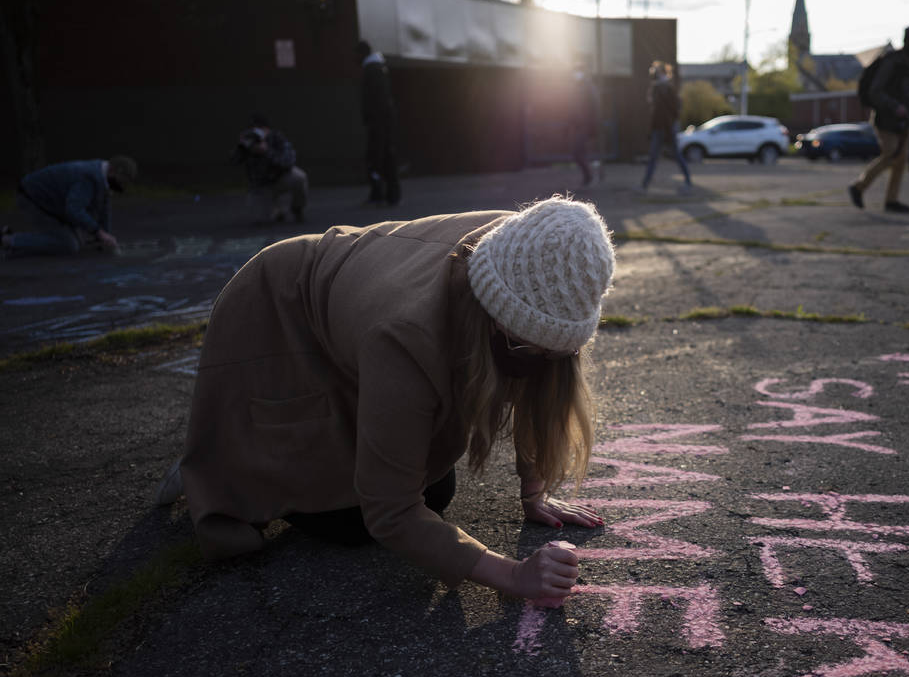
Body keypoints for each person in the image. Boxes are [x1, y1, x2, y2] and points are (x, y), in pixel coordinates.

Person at [152, 197, 615, 603]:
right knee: (353, 525)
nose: (538, 364)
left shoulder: (536, 253)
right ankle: (220, 460)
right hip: (280, 309)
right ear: (491, 315)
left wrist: (535, 493)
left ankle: (233, 452)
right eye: (525, 347)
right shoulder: (407, 332)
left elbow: (542, 381)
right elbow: (390, 512)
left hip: (355, 311)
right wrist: (513, 576)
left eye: (557, 352)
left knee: (436, 491)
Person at [848, 26, 909, 213]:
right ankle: (858, 187)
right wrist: (894, 106)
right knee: (890, 154)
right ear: (906, 39)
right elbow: (875, 91)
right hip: (885, 119)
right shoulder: (892, 61)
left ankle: (891, 200)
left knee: (900, 161)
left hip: (904, 122)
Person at [2, 156, 136, 258]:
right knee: (68, 245)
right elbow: (74, 210)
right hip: (32, 199)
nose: (122, 186)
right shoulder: (90, 177)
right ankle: (8, 241)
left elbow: (103, 209)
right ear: (115, 172)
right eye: (122, 181)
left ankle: (15, 239)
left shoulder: (102, 178)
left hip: (52, 203)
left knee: (77, 242)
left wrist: (106, 235)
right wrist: (98, 232)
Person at [231, 114, 308, 223]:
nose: (257, 132)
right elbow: (233, 161)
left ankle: (296, 209)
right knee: (261, 221)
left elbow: (288, 161)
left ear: (267, 129)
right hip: (260, 187)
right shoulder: (248, 142)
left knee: (299, 177)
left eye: (260, 128)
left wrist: (267, 151)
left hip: (280, 179)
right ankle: (277, 209)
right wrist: (243, 147)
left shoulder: (276, 138)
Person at [356, 40, 400, 205]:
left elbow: (373, 100)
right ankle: (390, 194)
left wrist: (371, 119)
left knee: (377, 157)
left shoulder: (371, 70)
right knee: (386, 155)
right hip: (384, 122)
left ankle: (380, 193)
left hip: (378, 123)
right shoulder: (379, 68)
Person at [640, 61, 692, 193]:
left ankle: (688, 180)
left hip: (666, 128)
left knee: (673, 155)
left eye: (657, 72)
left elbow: (672, 110)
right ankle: (645, 184)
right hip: (660, 128)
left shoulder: (666, 89)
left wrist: (668, 126)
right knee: (655, 156)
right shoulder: (658, 88)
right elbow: (657, 111)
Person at [568, 61, 600, 188]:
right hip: (579, 125)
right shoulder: (578, 86)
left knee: (577, 152)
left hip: (585, 125)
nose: (575, 74)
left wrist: (593, 125)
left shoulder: (588, 86)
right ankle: (588, 177)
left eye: (577, 71)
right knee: (579, 152)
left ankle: (588, 177)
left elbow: (594, 106)